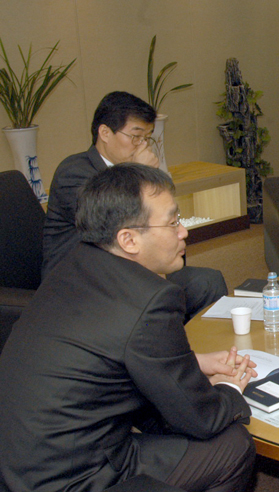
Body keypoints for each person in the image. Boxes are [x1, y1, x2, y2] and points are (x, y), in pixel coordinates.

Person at [0, 164, 257, 492]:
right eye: (172, 222)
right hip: (68, 486)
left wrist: (197, 362)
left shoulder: (76, 263)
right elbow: (202, 418)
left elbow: (107, 353)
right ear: (129, 239)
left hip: (19, 470)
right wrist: (230, 389)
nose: (183, 232)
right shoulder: (151, 299)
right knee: (233, 445)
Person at [43, 91, 227, 321]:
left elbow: (163, 206)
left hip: (130, 270)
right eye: (135, 137)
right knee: (161, 295)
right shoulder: (74, 171)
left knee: (208, 282)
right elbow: (108, 220)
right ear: (105, 133)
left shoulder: (127, 166)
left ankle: (186, 348)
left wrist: (147, 173)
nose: (141, 146)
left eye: (146, 138)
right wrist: (137, 173)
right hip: (82, 281)